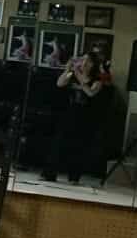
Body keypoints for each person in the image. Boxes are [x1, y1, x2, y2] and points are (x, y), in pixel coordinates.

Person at [45, 47, 110, 184]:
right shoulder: (72, 75)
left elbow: (90, 93)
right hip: (69, 113)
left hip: (85, 116)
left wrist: (79, 76)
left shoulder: (97, 80)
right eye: (83, 60)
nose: (84, 63)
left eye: (88, 61)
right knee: (59, 143)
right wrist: (67, 70)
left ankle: (74, 176)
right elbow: (59, 83)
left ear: (93, 65)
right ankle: (50, 173)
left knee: (79, 147)